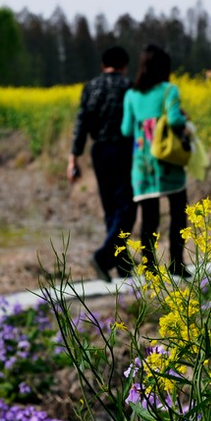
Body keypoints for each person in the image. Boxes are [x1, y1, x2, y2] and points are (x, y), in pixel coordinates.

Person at [121, 44, 191, 278]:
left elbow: (126, 129)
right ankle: (176, 263)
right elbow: (174, 121)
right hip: (167, 161)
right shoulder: (169, 90)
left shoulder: (131, 94)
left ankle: (149, 266)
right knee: (178, 213)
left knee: (149, 217)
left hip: (142, 163)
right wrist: (183, 117)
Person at [69, 45, 137, 282]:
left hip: (99, 151)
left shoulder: (91, 86)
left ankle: (123, 265)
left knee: (111, 208)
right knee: (127, 208)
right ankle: (104, 256)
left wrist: (73, 158)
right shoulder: (129, 87)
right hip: (125, 150)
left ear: (103, 65)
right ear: (125, 65)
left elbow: (81, 123)